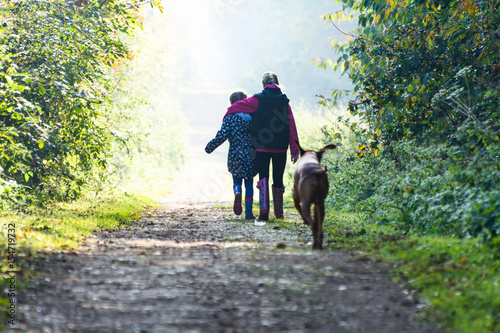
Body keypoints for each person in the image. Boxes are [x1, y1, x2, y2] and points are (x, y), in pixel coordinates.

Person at [223, 72, 299, 220]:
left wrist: (226, 115)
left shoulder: (256, 100)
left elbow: (235, 106)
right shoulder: (285, 102)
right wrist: (294, 150)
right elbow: (292, 126)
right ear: (278, 83)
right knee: (278, 178)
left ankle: (264, 209)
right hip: (280, 148)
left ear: (263, 84)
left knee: (263, 177)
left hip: (262, 148)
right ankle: (278, 212)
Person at [205, 91, 257, 219]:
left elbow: (222, 136)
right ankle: (249, 213)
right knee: (249, 182)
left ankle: (237, 191)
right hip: (251, 153)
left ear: (231, 102)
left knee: (237, 179)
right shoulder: (253, 116)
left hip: (235, 153)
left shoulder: (230, 117)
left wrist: (210, 147)